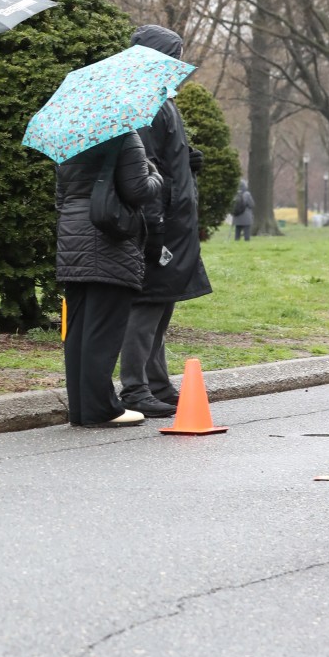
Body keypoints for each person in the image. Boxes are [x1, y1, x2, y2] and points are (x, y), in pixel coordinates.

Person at [119, 25, 213, 416]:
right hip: (161, 221)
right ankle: (135, 387)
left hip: (175, 221)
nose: (179, 64)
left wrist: (186, 161)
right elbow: (146, 166)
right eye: (173, 56)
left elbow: (163, 159)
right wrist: (155, 224)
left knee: (162, 304)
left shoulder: (160, 98)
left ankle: (156, 383)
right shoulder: (144, 102)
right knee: (148, 304)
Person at [56, 130, 162, 427]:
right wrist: (156, 175)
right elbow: (137, 190)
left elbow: (61, 199)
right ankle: (101, 409)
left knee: (78, 331)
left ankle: (81, 409)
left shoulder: (68, 137)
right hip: (109, 242)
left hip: (73, 241)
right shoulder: (124, 135)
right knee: (102, 332)